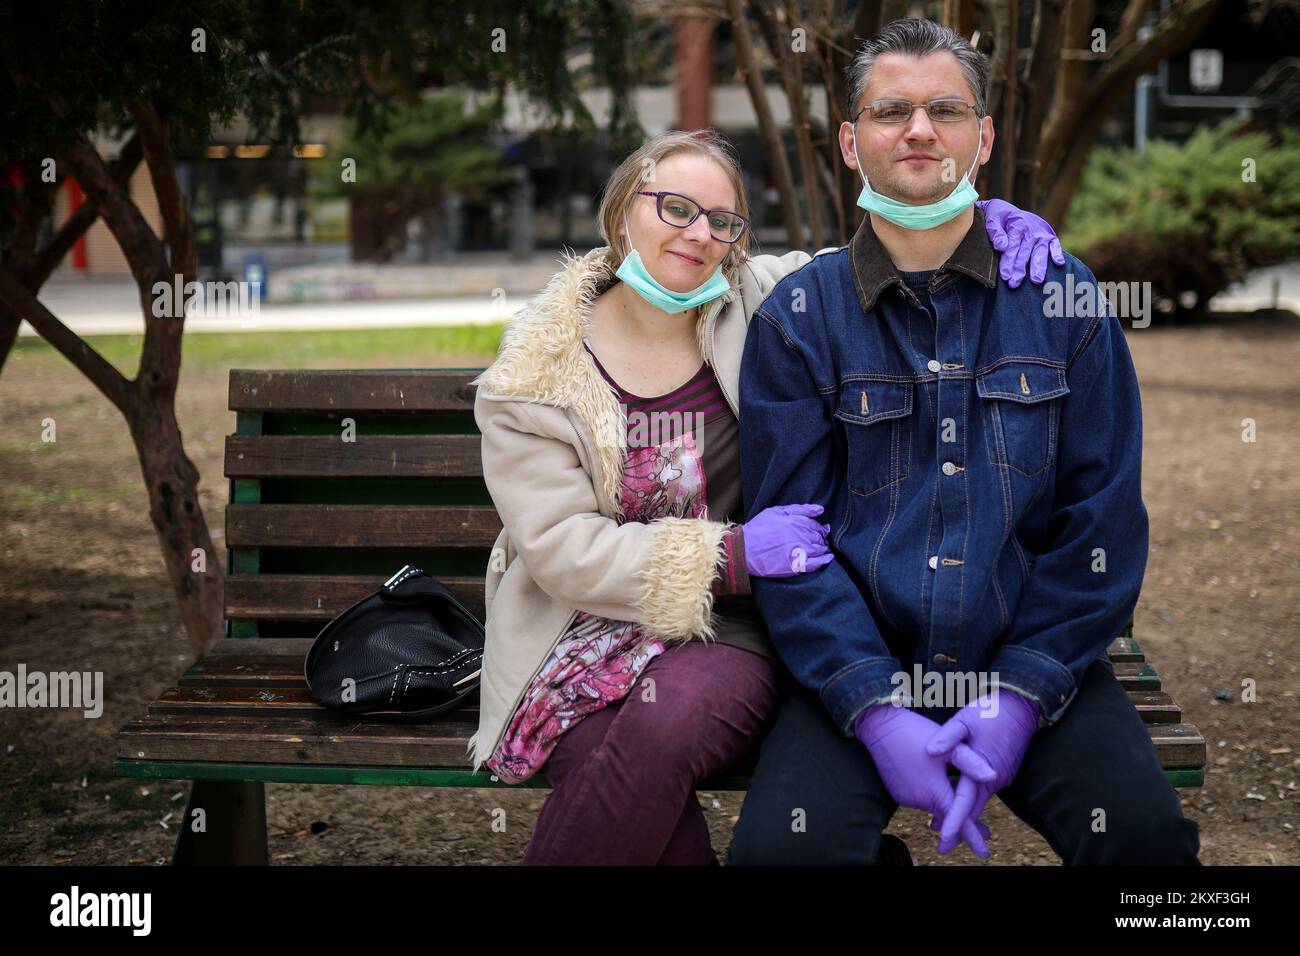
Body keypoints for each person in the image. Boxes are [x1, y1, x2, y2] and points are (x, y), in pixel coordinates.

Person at [467, 125, 1061, 865]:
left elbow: (885, 256)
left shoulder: (760, 297)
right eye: (675, 207)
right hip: (579, 628)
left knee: (659, 729)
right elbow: (559, 550)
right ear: (624, 210)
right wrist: (730, 551)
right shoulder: (538, 367)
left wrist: (988, 220)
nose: (699, 235)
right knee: (600, 760)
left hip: (732, 625)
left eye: (722, 221)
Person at [729, 17, 1201, 865]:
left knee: (1149, 849)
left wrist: (1021, 697)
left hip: (1032, 660)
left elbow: (1103, 527)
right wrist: (875, 711)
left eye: (946, 110)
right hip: (862, 670)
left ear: (982, 138)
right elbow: (791, 549)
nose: (918, 129)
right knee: (777, 857)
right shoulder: (800, 318)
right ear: (849, 142)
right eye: (890, 112)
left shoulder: (1062, 298)